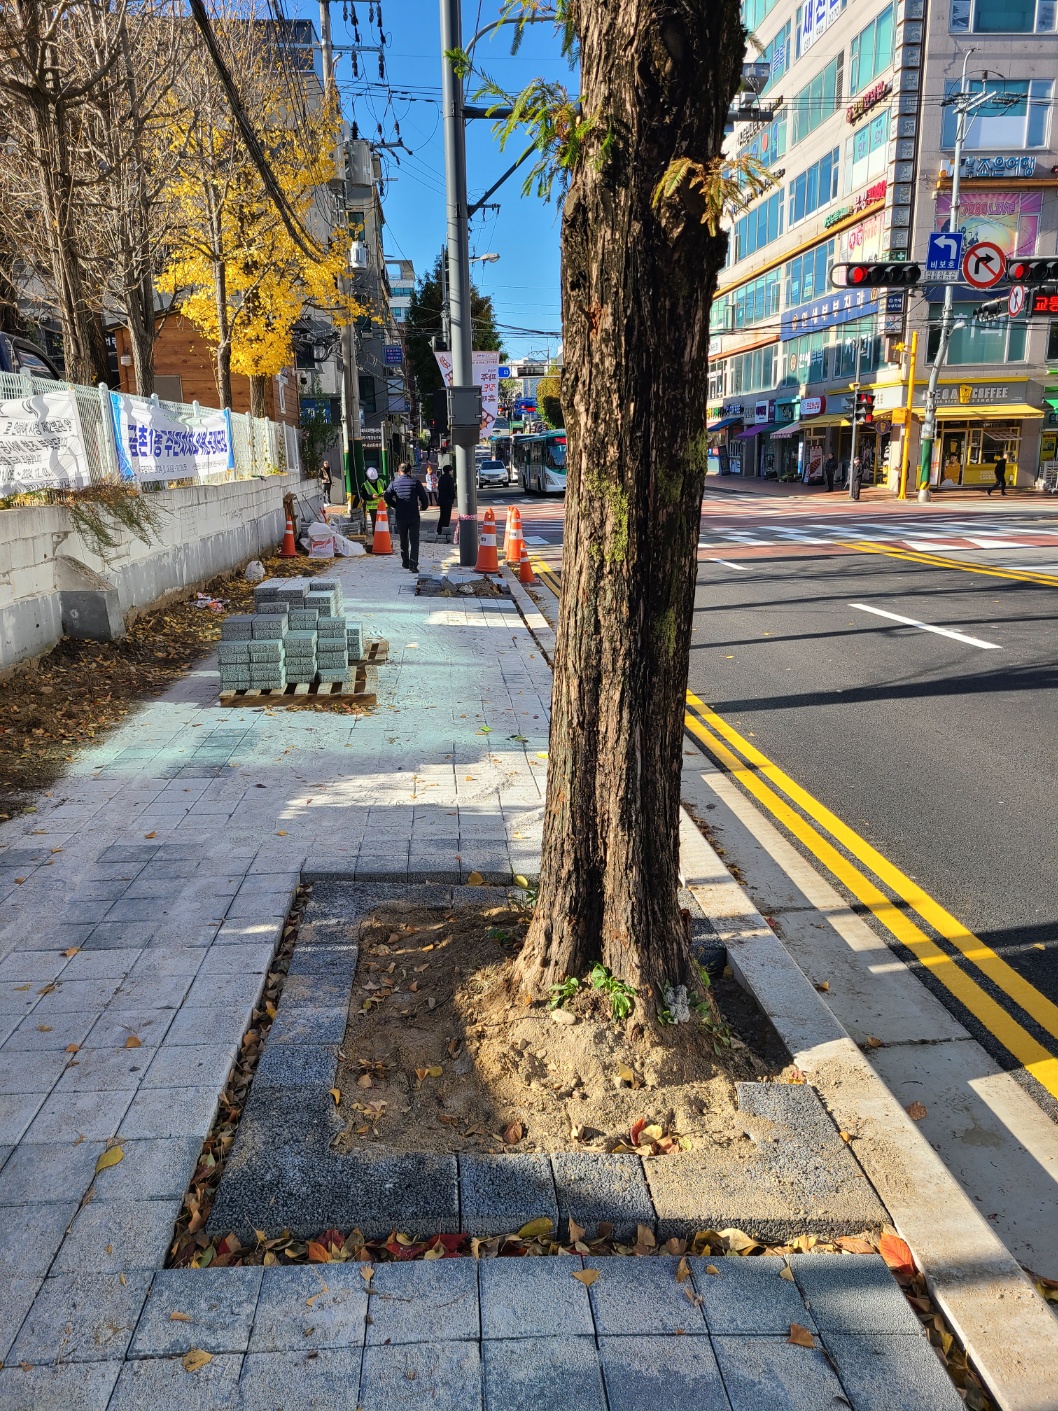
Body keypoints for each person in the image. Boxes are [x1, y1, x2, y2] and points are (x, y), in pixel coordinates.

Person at [385, 462, 429, 570]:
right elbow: (424, 497)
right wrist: (423, 507)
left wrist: (395, 505)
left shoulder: (394, 483)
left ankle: (405, 562)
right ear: (410, 471)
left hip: (401, 515)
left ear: (399, 471)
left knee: (403, 539)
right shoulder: (415, 482)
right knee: (414, 540)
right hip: (413, 515)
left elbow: (387, 496)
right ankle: (413, 564)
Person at [436, 465, 456, 534]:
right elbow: (451, 490)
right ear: (449, 471)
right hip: (448, 500)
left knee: (442, 515)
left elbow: (439, 488)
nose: (452, 472)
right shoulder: (450, 479)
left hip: (441, 499)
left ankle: (439, 530)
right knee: (447, 516)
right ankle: (445, 530)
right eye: (451, 470)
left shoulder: (441, 478)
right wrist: (453, 497)